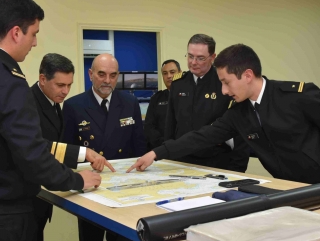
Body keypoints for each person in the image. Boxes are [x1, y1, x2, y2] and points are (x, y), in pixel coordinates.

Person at [0, 0, 101, 241]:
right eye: (33, 33)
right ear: (15, 32)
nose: (35, 42)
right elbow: (31, 154)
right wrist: (77, 181)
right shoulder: (9, 81)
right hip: (3, 217)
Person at [128, 43, 320, 184]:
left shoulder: (296, 97)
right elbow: (201, 137)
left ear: (247, 75)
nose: (224, 91)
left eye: (226, 82)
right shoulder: (239, 112)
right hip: (290, 187)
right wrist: (156, 153)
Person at [163, 34, 249, 241]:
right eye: (190, 56)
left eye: (201, 58)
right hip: (184, 168)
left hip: (217, 167)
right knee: (190, 225)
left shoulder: (223, 83)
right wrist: (168, 161)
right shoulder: (179, 83)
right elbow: (172, 127)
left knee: (219, 227)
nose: (193, 62)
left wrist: (235, 170)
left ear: (213, 57)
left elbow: (239, 130)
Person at [62, 53, 146, 241]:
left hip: (122, 191)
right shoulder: (74, 105)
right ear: (91, 74)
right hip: (91, 188)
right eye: (101, 74)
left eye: (112, 75)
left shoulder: (129, 102)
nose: (107, 80)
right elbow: (66, 150)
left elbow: (139, 145)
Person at [31, 53, 114, 241]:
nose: (65, 91)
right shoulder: (29, 103)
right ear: (42, 79)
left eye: (69, 85)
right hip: (25, 199)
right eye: (60, 85)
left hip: (38, 198)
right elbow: (39, 148)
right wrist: (82, 155)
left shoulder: (53, 104)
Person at [144, 59, 181, 150]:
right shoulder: (156, 98)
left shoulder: (190, 96)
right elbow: (149, 127)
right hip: (160, 149)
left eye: (172, 72)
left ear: (180, 73)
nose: (169, 76)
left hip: (184, 149)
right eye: (165, 73)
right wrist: (164, 145)